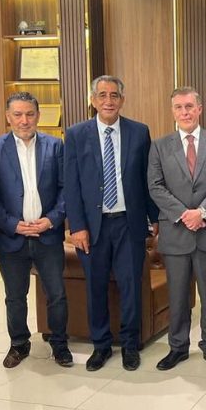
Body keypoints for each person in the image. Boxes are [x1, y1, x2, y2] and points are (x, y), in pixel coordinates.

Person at [64, 75, 157, 372]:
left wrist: (154, 218)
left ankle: (130, 345)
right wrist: (77, 226)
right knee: (96, 287)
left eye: (114, 95)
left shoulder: (139, 132)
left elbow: (147, 179)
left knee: (131, 286)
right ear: (93, 100)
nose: (108, 101)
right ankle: (101, 345)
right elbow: (71, 184)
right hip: (93, 227)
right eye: (102, 95)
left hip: (129, 223)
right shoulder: (76, 134)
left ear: (122, 100)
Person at [0, 92, 71, 369]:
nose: (24, 120)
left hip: (48, 235)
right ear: (8, 117)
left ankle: (60, 344)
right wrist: (12, 224)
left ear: (38, 116)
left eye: (30, 114)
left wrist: (52, 220)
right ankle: (19, 344)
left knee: (56, 294)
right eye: (18, 114)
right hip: (12, 237)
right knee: (14, 296)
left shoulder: (55, 146)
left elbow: (66, 189)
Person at [147, 87, 206, 371]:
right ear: (173, 111)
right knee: (178, 297)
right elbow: (155, 186)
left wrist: (202, 212)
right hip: (176, 233)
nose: (185, 112)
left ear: (200, 109)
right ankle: (178, 347)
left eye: (189, 106)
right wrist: (184, 214)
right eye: (179, 107)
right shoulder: (159, 146)